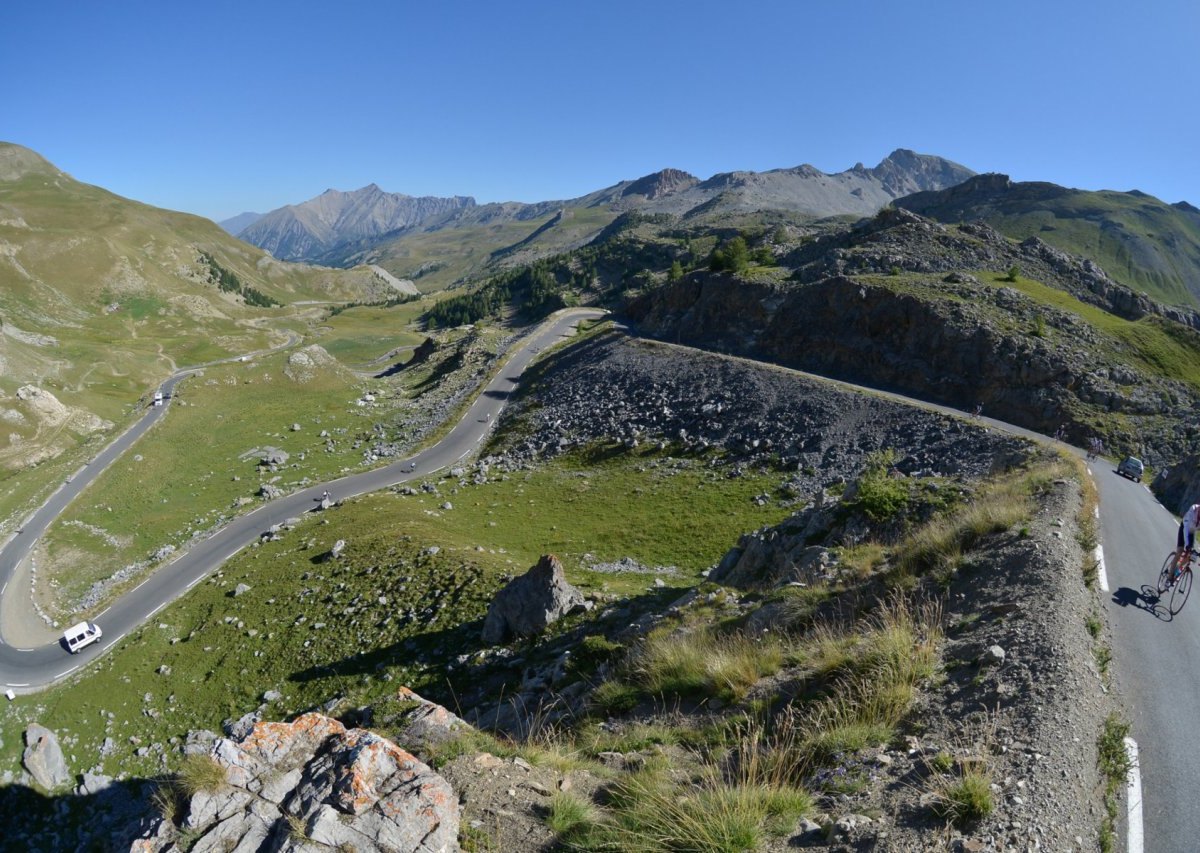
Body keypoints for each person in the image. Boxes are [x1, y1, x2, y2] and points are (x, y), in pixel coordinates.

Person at [1175, 503, 1200, 578]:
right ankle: (1169, 577)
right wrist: (1187, 545)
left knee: (1191, 555)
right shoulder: (1193, 509)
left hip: (1192, 532)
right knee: (1180, 551)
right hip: (1184, 527)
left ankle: (1177, 568)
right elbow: (1185, 528)